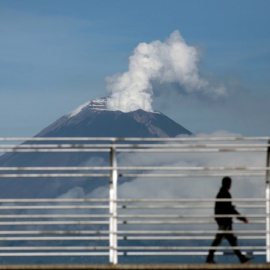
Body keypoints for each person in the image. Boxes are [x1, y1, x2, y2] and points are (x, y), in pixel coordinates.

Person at [206, 176, 253, 264]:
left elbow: (223, 208)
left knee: (230, 241)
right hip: (225, 222)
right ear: (229, 184)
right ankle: (209, 258)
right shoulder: (225, 194)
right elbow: (229, 209)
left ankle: (241, 258)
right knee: (220, 240)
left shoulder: (220, 193)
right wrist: (242, 218)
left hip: (224, 221)